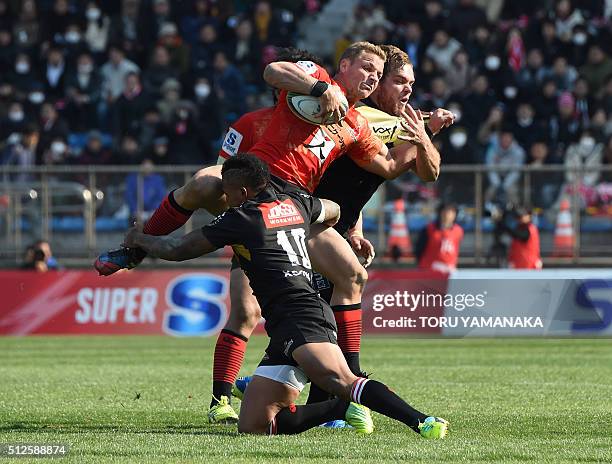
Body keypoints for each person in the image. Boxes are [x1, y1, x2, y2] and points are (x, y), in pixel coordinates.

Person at [95, 42, 444, 421]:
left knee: (352, 274)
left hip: (294, 204)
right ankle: (133, 252)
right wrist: (319, 89)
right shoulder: (315, 80)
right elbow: (273, 70)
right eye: (365, 68)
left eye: (377, 74)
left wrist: (422, 133)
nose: (372, 77)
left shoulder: (360, 125)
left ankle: (350, 381)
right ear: (343, 65)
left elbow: (387, 167)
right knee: (201, 184)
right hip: (256, 184)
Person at [122, 154, 449, 438]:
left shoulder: (242, 218)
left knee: (343, 379)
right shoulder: (297, 202)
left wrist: (140, 238)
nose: (224, 195)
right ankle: (334, 410)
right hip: (286, 322)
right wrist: (313, 228)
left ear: (244, 192)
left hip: (302, 316)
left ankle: (421, 420)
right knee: (254, 424)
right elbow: (334, 209)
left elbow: (177, 249)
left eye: (228, 190)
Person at [415, 203, 464, 273]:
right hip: (429, 269)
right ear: (440, 213)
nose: (448, 215)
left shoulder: (458, 230)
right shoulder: (429, 229)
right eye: (445, 212)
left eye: (451, 212)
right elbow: (419, 250)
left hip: (449, 269)